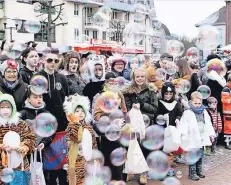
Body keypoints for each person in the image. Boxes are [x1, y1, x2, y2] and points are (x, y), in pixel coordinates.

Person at [35, 48, 69, 185]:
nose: (52, 63)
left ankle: (61, 179)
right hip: (44, 121)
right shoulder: (38, 77)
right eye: (49, 60)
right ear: (43, 61)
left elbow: (66, 98)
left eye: (55, 60)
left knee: (59, 152)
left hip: (61, 122)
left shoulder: (62, 77)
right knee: (46, 152)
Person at [123, 69, 158, 184]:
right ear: (133, 77)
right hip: (132, 124)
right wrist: (130, 110)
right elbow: (126, 108)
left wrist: (142, 105)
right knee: (131, 148)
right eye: (137, 76)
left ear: (146, 77)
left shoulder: (151, 90)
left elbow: (154, 108)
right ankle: (131, 170)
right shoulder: (127, 91)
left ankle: (143, 172)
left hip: (146, 124)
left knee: (144, 148)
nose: (140, 79)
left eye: (142, 76)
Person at [179, 92, 216, 181]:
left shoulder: (204, 112)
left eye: (199, 103)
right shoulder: (187, 112)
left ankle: (199, 170)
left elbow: (208, 123)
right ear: (191, 102)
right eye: (195, 103)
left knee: (200, 154)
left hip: (201, 137)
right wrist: (183, 136)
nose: (198, 105)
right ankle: (192, 173)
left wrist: (211, 134)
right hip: (192, 138)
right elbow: (183, 125)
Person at [0, 94, 36, 175]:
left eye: (8, 107)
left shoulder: (20, 123)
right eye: (2, 107)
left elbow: (31, 138)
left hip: (20, 166)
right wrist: (2, 147)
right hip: (2, 167)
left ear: (13, 108)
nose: (5, 110)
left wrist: (25, 147)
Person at [65, 94, 97, 185]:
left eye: (82, 111)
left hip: (87, 160)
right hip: (75, 161)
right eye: (77, 111)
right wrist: (75, 123)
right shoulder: (70, 127)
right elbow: (76, 138)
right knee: (76, 181)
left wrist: (95, 156)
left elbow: (93, 142)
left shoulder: (89, 127)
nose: (80, 113)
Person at [20, 86, 54, 150]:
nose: (39, 99)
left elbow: (50, 133)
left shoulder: (47, 114)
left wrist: (44, 143)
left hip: (41, 150)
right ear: (28, 99)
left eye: (40, 97)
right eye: (35, 97)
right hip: (25, 149)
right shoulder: (23, 114)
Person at [221, 73, 231, 149]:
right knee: (228, 128)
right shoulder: (226, 89)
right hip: (227, 112)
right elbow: (225, 100)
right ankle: (227, 143)